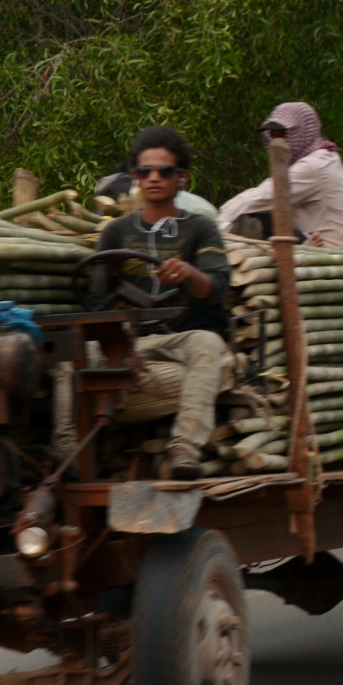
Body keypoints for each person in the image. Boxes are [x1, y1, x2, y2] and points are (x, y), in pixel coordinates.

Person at [89, 125, 233, 480]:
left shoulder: (200, 229)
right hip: (128, 337)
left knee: (208, 343)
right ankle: (65, 452)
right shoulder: (115, 232)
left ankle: (184, 448)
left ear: (181, 178)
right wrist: (119, 347)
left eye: (165, 171)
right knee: (70, 360)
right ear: (135, 177)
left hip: (181, 336)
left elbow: (215, 286)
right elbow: (96, 300)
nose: (154, 178)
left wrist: (188, 273)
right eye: (144, 171)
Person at [218, 101, 343, 253]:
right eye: (273, 135)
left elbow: (261, 196)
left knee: (257, 215)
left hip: (341, 251)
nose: (277, 141)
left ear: (303, 132)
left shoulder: (314, 166)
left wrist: (216, 221)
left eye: (283, 134)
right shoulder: (324, 161)